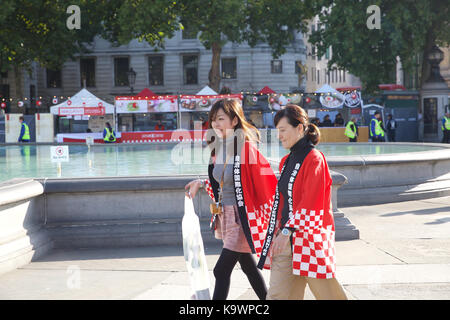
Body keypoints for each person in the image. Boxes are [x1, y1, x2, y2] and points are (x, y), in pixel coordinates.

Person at [185, 99, 277, 300]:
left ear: (234, 120)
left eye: (220, 119)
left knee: (221, 270)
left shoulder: (245, 149)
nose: (215, 124)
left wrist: (272, 218)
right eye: (213, 120)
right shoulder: (218, 149)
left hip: (240, 218)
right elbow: (222, 184)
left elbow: (265, 183)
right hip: (226, 215)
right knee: (248, 267)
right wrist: (200, 183)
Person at [257, 104, 347, 300]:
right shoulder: (285, 161)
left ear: (299, 128)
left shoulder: (314, 158)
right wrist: (278, 230)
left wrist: (288, 229)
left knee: (328, 295)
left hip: (309, 239)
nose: (279, 135)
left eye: (283, 130)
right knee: (277, 295)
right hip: (285, 239)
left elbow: (311, 202)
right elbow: (282, 201)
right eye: (277, 131)